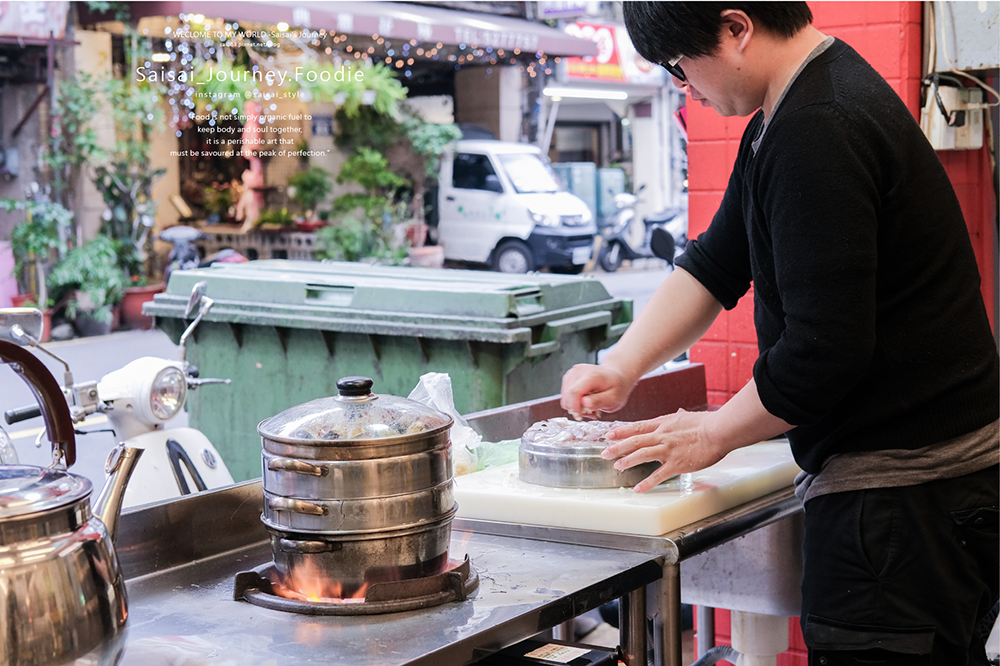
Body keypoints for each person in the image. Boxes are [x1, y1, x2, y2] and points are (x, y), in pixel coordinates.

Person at [560, 3, 999, 665]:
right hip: (931, 497)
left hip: (908, 506)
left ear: (736, 30)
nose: (687, 86)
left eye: (683, 66)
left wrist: (711, 434)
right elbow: (715, 263)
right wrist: (623, 364)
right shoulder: (789, 112)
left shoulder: (819, 128)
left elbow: (824, 354)